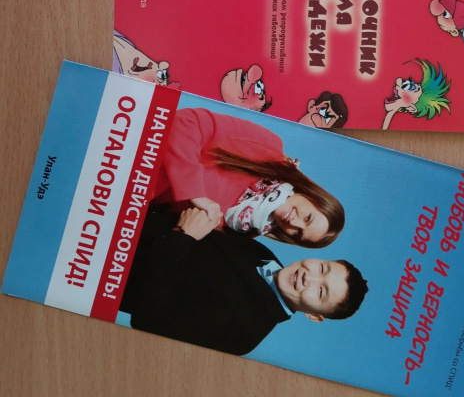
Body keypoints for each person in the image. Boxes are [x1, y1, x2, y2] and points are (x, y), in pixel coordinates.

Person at [120, 206, 368, 355]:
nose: (309, 277)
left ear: (314, 315)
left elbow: (150, 320)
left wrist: (183, 238)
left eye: (321, 292)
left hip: (108, 260)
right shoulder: (265, 256)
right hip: (126, 212)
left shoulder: (245, 335)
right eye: (322, 268)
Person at [152, 106, 346, 248]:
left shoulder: (239, 230)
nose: (294, 223)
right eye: (308, 217)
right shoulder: (270, 150)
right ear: (311, 195)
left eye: (298, 233)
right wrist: (194, 193)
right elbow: (186, 121)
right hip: (143, 146)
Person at [382, 59, 451, 129]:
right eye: (410, 84)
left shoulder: (397, 104)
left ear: (412, 108)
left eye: (412, 88)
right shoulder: (399, 96)